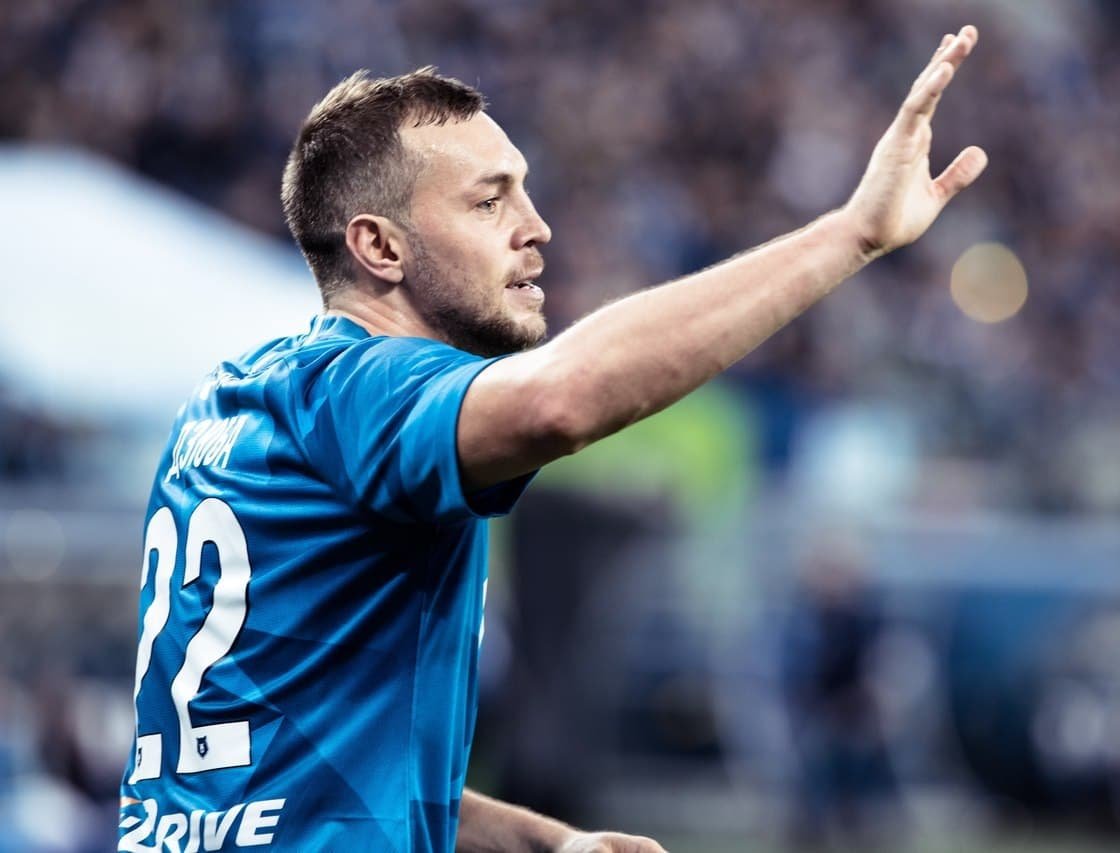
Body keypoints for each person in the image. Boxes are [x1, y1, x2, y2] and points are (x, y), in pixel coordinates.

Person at [117, 25, 987, 852]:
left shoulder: (228, 405)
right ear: (380, 246)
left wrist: (548, 839)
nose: (535, 226)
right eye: (488, 200)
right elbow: (560, 401)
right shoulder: (364, 389)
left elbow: (312, 768)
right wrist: (852, 233)